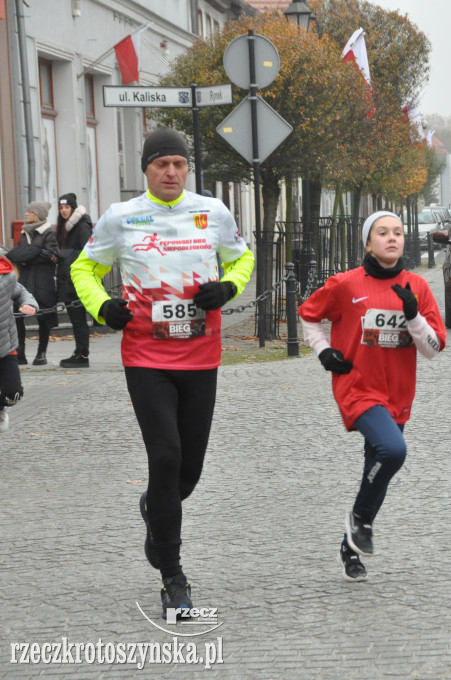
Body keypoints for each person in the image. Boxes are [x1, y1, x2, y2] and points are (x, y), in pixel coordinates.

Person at [70, 127, 254, 616]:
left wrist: (228, 289)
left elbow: (242, 259)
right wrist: (102, 306)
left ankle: (155, 510)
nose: (170, 172)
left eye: (178, 164)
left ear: (186, 168)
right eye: (160, 165)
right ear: (146, 169)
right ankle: (173, 576)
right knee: (166, 455)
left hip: (201, 355)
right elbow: (83, 270)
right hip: (146, 357)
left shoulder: (211, 211)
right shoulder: (121, 217)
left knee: (187, 472)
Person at [299, 211, 446, 583]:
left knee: (374, 470)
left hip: (398, 392)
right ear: (368, 243)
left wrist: (413, 317)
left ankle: (351, 546)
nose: (392, 238)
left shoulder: (417, 286)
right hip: (357, 387)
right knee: (393, 452)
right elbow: (308, 314)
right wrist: (323, 351)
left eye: (397, 232)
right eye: (382, 233)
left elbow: (432, 349)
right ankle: (360, 520)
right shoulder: (346, 284)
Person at [9, 201, 57, 365]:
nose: (27, 214)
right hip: (25, 280)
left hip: (43, 281)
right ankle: (20, 352)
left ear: (38, 214)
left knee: (43, 317)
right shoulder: (24, 233)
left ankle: (41, 353)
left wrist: (28, 254)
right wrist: (34, 252)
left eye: (30, 212)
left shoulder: (48, 233)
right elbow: (15, 255)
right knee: (18, 316)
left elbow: (50, 254)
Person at [54, 193, 93, 368]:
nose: (63, 211)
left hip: (78, 278)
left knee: (79, 319)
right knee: (74, 319)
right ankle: (79, 351)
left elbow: (87, 252)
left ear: (73, 208)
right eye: (61, 208)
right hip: (69, 277)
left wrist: (64, 254)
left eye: (66, 207)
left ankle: (83, 355)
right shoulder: (67, 227)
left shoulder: (81, 226)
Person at [0, 256, 38, 432]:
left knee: (13, 394)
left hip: (5, 345)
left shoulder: (5, 276)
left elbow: (22, 292)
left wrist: (29, 304)